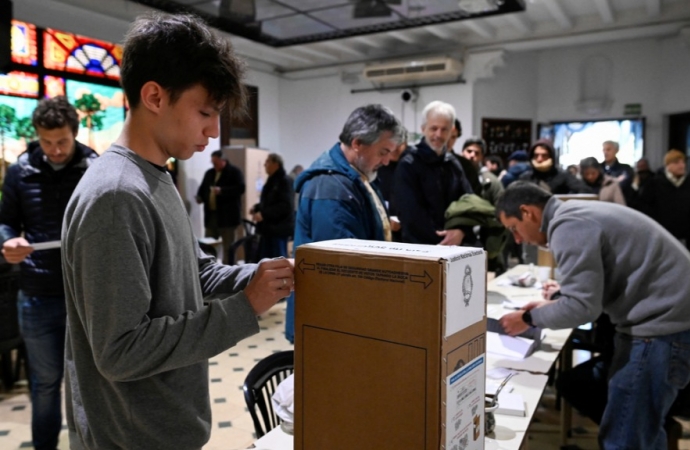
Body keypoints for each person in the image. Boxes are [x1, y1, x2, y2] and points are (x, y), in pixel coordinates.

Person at [60, 13, 294, 450]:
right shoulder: (116, 196)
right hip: (130, 438)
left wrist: (267, 277)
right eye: (205, 112)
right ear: (153, 96)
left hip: (164, 431)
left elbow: (195, 273)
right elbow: (121, 351)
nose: (213, 130)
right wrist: (244, 308)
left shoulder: (155, 177)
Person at [496, 181, 690, 449]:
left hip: (660, 329)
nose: (517, 239)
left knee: (624, 438)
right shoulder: (575, 213)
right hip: (667, 321)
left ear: (528, 212)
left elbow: (582, 308)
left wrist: (528, 319)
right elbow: (598, 283)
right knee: (637, 428)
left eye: (514, 229)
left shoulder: (567, 225)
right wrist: (561, 295)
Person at [0, 96, 97, 450]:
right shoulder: (20, 170)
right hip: (36, 292)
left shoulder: (93, 166)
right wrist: (10, 241)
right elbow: (6, 221)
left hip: (83, 294)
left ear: (74, 133)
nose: (55, 151)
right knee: (44, 383)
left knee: (85, 383)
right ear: (37, 136)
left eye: (62, 142)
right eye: (46, 142)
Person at [285, 104, 404, 343]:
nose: (387, 161)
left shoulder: (355, 177)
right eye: (383, 151)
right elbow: (341, 268)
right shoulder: (332, 187)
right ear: (358, 143)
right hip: (330, 321)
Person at [395, 101, 474, 245]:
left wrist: (461, 231)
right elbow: (411, 215)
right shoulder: (409, 164)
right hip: (420, 250)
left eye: (444, 129)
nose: (438, 134)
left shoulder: (453, 164)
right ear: (423, 128)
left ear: (451, 131)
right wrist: (444, 239)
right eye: (434, 128)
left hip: (454, 246)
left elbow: (469, 202)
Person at [196, 149, 245, 262]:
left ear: (223, 161)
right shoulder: (210, 173)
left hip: (228, 216)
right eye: (212, 163)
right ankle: (210, 270)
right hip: (211, 215)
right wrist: (200, 197)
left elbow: (240, 189)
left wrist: (222, 191)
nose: (214, 165)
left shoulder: (234, 172)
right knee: (209, 244)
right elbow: (203, 188)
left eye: (216, 163)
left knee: (229, 247)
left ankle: (229, 271)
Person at [638, 149, 690, 249]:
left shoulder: (688, 183)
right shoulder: (654, 183)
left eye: (683, 162)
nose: (681, 165)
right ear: (668, 165)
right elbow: (644, 207)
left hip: (687, 236)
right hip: (662, 235)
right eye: (676, 162)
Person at [251, 153, 294, 259]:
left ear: (276, 164)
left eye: (268, 162)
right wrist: (257, 208)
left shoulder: (284, 181)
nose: (265, 165)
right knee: (266, 261)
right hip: (268, 229)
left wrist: (264, 214)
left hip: (278, 229)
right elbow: (270, 201)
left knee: (277, 261)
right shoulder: (272, 180)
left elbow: (285, 205)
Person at [519, 140, 591, 194]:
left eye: (544, 156)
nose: (539, 159)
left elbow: (584, 191)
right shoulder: (525, 178)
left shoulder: (563, 176)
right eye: (536, 155)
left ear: (552, 157)